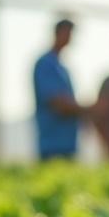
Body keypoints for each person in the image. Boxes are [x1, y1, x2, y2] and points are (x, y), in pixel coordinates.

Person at [32, 18, 90, 161]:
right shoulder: (46, 63)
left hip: (67, 144)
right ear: (58, 33)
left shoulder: (62, 67)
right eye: (67, 32)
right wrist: (88, 109)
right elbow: (58, 103)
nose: (70, 37)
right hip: (53, 145)